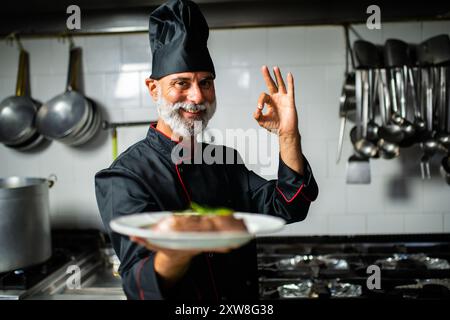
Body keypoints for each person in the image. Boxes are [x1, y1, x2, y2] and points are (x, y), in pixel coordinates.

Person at [95, 0, 318, 301]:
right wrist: (178, 247)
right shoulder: (125, 177)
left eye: (206, 82)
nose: (197, 96)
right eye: (181, 83)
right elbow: (139, 287)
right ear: (153, 89)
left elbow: (288, 206)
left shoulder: (223, 161)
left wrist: (288, 135)